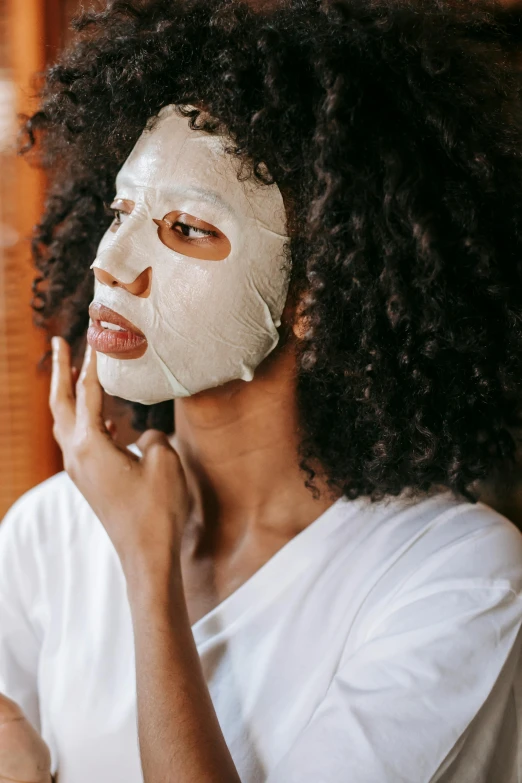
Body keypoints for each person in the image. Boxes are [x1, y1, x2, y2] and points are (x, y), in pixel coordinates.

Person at [3, 0, 522, 781]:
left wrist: (150, 574)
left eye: (187, 228)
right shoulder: (49, 531)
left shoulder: (457, 576)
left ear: (314, 294)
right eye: (121, 211)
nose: (113, 261)